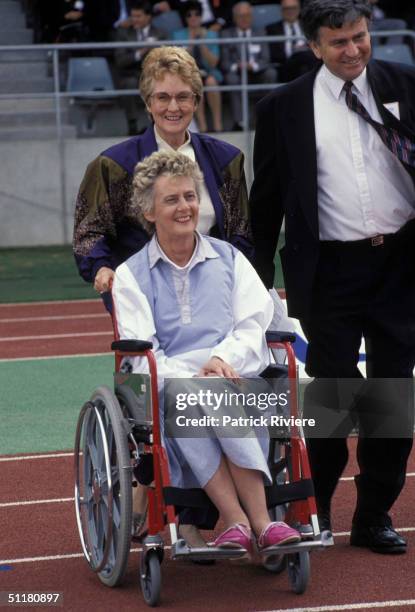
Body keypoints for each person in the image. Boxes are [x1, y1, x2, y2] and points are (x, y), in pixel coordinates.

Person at [249, 0, 415, 554]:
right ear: (314, 46)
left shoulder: (405, 83)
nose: (353, 50)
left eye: (360, 37)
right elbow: (266, 200)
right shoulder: (284, 108)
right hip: (329, 271)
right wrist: (257, 280)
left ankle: (373, 516)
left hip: (400, 265)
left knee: (393, 399)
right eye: (339, 42)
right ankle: (312, 510)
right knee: (334, 399)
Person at [112, 149, 302, 554]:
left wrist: (222, 360)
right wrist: (195, 375)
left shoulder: (231, 259)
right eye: (171, 199)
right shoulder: (130, 276)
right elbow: (142, 352)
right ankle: (258, 521)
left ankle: (237, 522)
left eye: (190, 196)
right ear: (149, 212)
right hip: (171, 387)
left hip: (236, 376)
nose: (185, 207)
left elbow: (254, 324)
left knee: (206, 394)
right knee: (188, 394)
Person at [73, 45, 252, 311]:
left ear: (196, 101)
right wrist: (101, 268)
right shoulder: (113, 165)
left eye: (183, 97)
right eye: (162, 97)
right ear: (148, 103)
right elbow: (89, 232)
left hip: (214, 295)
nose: (173, 107)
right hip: (143, 297)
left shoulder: (226, 160)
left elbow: (240, 234)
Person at [221, 1, 277, 131]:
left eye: (247, 15)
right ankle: (240, 122)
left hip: (257, 72)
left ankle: (266, 118)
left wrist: (254, 66)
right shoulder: (226, 34)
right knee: (231, 78)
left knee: (271, 73)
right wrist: (238, 66)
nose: (245, 19)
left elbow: (266, 59)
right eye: (241, 16)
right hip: (237, 73)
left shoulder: (260, 32)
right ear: (234, 18)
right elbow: (225, 63)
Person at [114, 1, 167, 136]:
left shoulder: (160, 33)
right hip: (131, 73)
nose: (134, 20)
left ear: (148, 17)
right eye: (133, 16)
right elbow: (120, 60)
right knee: (129, 83)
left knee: (159, 83)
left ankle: (157, 125)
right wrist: (141, 52)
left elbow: (167, 59)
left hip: (154, 74)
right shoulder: (123, 33)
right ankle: (132, 124)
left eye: (138, 16)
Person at [173, 1, 223, 132]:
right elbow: (179, 62)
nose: (193, 17)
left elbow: (213, 62)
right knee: (196, 83)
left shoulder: (212, 35)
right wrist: (191, 42)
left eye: (197, 14)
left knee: (211, 81)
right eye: (189, 15)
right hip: (188, 74)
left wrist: (202, 44)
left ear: (201, 17)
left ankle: (218, 125)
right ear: (185, 18)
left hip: (209, 71)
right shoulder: (178, 35)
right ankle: (202, 126)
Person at [266, 0, 319, 82]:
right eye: (287, 8)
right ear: (281, 10)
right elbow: (273, 55)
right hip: (285, 66)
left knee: (305, 63)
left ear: (299, 9)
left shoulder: (308, 26)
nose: (290, 11)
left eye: (293, 8)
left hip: (307, 64)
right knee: (303, 57)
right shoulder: (271, 29)